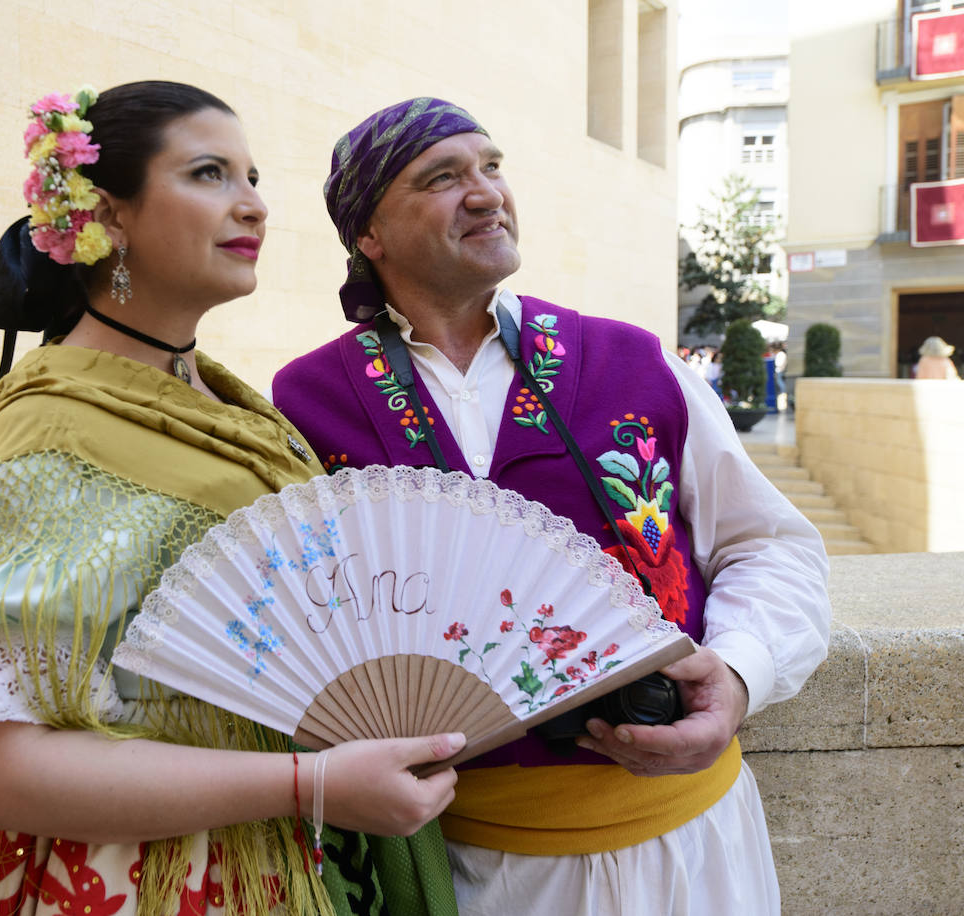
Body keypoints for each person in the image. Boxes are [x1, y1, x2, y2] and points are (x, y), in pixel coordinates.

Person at [0, 82, 464, 916]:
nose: (254, 206)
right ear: (108, 213)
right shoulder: (58, 431)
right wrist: (308, 782)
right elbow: (8, 773)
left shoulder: (232, 408)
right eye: (210, 174)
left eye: (252, 178)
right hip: (144, 884)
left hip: (287, 862)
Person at [272, 97, 830, 915]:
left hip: (689, 848)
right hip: (467, 866)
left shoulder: (633, 362)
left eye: (491, 167)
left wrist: (741, 675)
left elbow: (768, 544)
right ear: (369, 235)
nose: (487, 192)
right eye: (442, 177)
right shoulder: (310, 401)